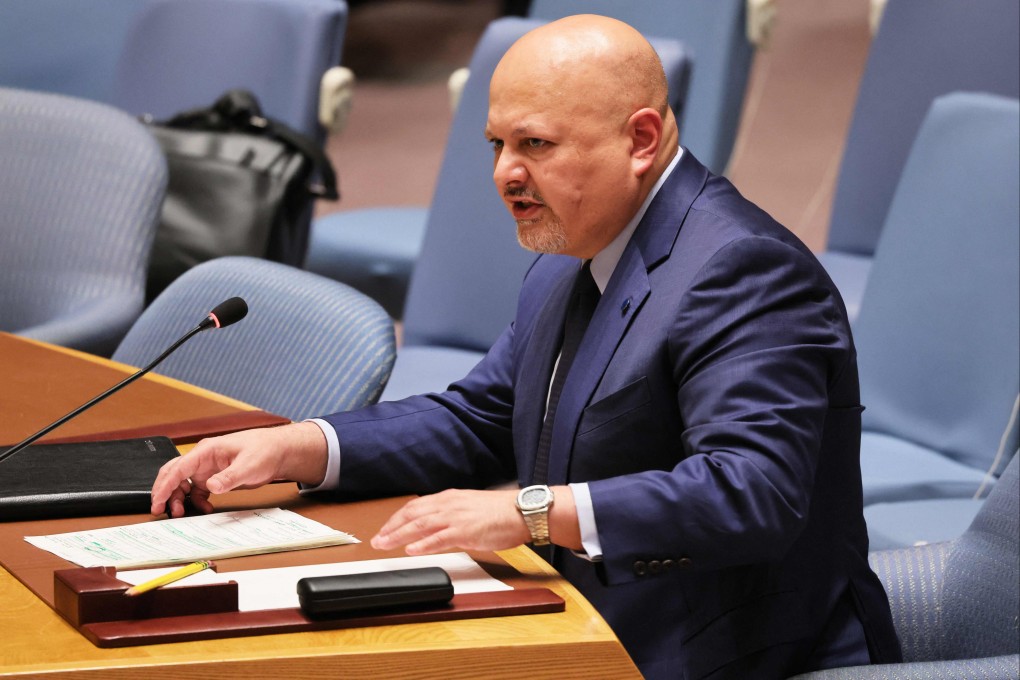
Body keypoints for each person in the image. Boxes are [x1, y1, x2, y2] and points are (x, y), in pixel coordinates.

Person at [151, 15, 901, 679]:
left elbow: (749, 491)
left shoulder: (742, 269)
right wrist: (300, 447)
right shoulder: (573, 248)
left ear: (641, 138)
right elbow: (480, 419)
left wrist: (528, 513)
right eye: (498, 143)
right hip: (581, 610)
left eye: (536, 144)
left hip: (722, 650)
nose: (505, 173)